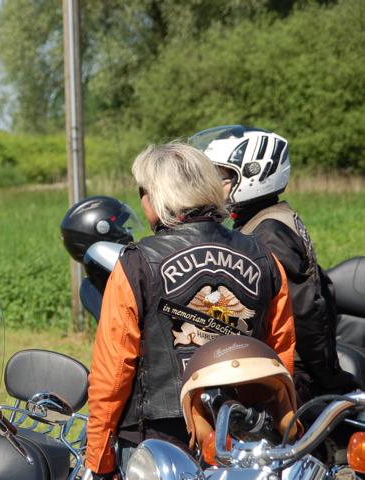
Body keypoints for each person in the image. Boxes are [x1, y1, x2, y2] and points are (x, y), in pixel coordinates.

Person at [85, 142, 296, 477]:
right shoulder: (263, 258)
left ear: (158, 196)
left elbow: (112, 374)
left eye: (143, 192)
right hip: (243, 434)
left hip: (158, 442)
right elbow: (280, 357)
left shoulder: (137, 264)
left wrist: (98, 459)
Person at [192, 125, 359, 401]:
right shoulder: (263, 220)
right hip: (273, 362)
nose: (212, 185)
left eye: (222, 176)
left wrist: (331, 380)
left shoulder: (269, 233)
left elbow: (303, 312)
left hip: (290, 372)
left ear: (254, 175)